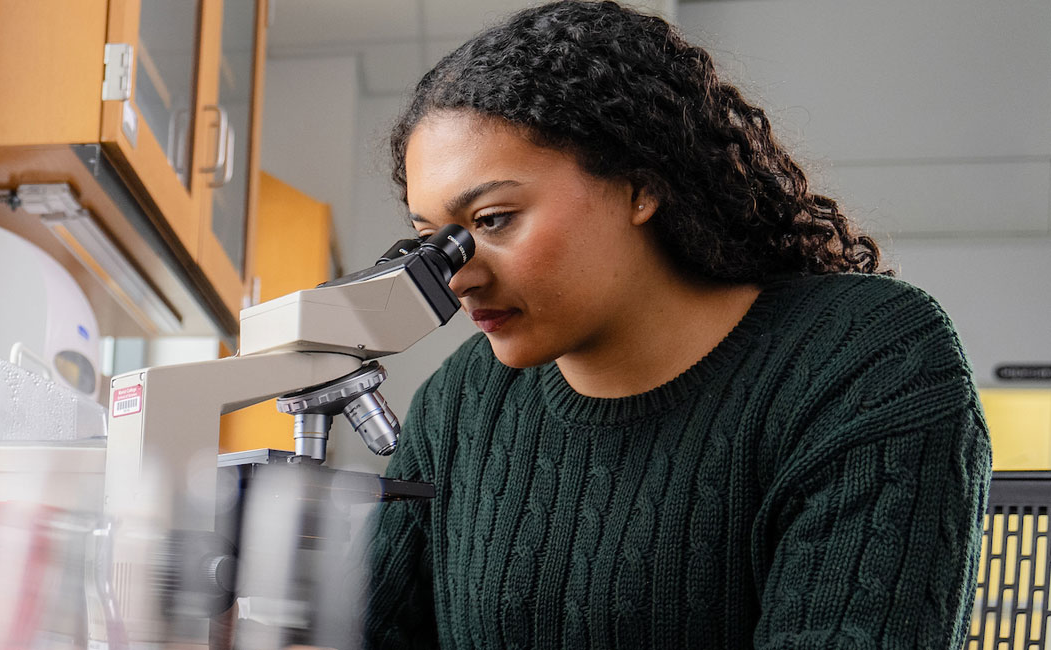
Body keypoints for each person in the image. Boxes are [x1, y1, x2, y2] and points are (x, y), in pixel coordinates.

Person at [362, 2, 991, 648]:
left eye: (492, 220)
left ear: (639, 185)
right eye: (431, 240)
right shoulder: (459, 403)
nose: (456, 275)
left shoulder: (866, 362)